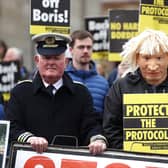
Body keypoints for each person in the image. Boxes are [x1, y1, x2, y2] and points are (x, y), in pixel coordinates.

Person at [5, 32, 107, 155]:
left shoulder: (81, 92)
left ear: (66, 62)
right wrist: (29, 139)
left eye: (56, 58)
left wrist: (97, 140)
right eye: (46, 58)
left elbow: (91, 126)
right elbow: (12, 127)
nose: (51, 62)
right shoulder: (21, 91)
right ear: (37, 61)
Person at [103, 29, 168, 149]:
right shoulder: (121, 86)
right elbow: (111, 127)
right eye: (146, 58)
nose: (153, 66)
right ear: (137, 58)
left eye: (159, 58)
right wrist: (130, 154)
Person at [65, 30, 109, 116]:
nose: (85, 51)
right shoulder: (62, 79)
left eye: (89, 47)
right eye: (81, 47)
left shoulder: (103, 83)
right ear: (71, 50)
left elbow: (107, 117)